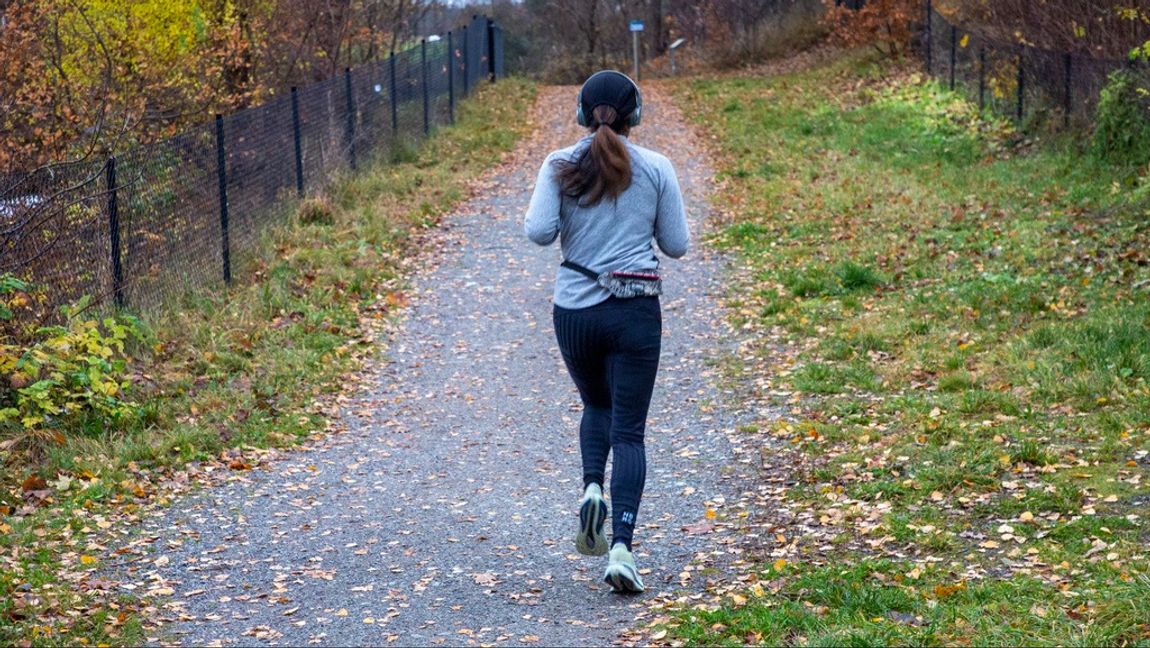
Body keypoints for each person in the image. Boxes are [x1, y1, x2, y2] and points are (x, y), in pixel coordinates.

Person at [523, 70, 689, 593]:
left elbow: (538, 232)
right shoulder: (657, 167)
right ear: (635, 114)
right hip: (635, 312)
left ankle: (592, 487)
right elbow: (677, 244)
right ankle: (621, 548)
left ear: (580, 112)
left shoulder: (559, 165)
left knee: (596, 406)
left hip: (575, 312)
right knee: (630, 432)